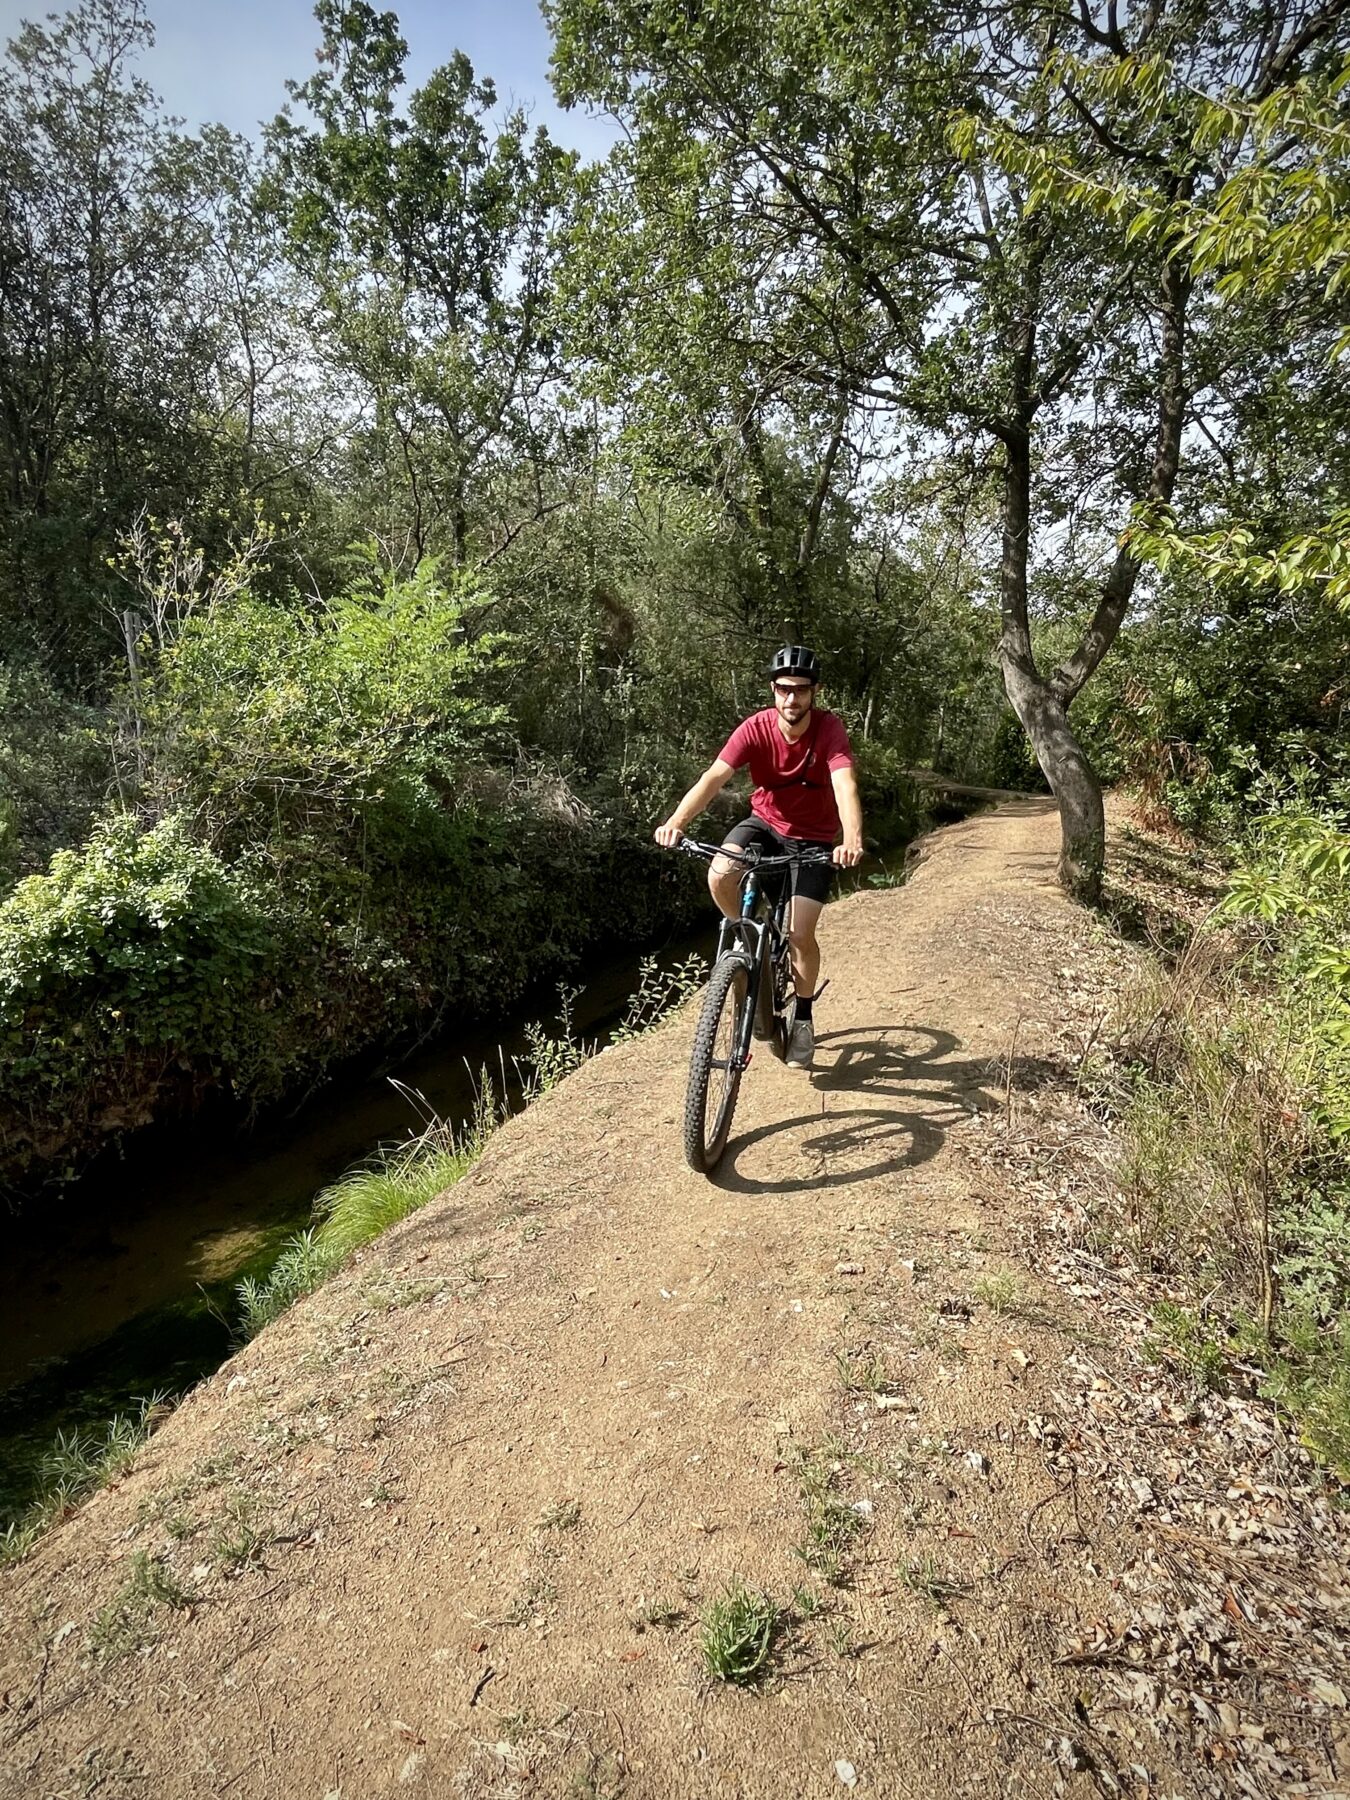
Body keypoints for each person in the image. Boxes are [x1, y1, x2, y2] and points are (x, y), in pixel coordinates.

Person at [654, 645, 864, 1070]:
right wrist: (676, 821)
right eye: (784, 689)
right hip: (765, 825)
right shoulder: (755, 728)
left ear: (814, 693)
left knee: (801, 934)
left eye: (801, 691)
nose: (792, 699)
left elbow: (844, 785)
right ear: (774, 690)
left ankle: (802, 1018)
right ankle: (749, 941)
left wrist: (852, 838)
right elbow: (713, 777)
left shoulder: (829, 730)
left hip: (815, 839)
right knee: (720, 874)